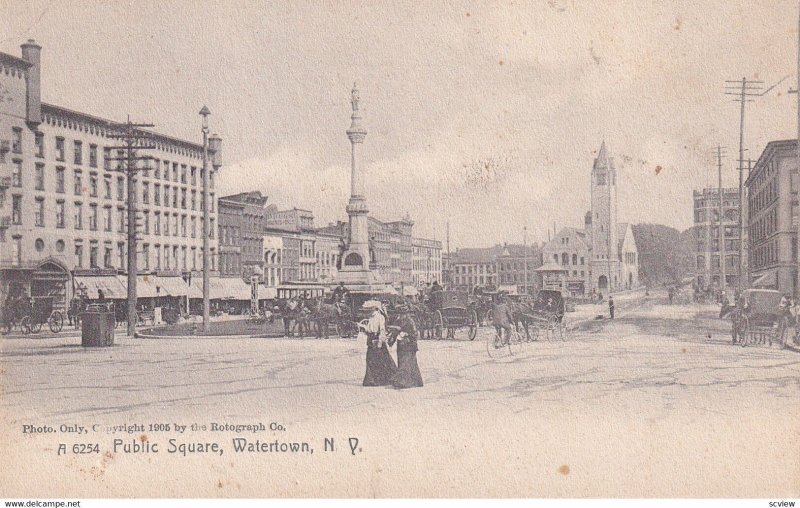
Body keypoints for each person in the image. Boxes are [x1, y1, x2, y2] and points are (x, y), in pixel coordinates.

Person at [362, 300, 397, 386]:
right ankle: (372, 380)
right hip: (371, 339)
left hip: (377, 339)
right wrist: (364, 328)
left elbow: (382, 330)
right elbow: (370, 329)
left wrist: (380, 341)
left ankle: (384, 379)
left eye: (370, 310)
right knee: (370, 359)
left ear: (375, 309)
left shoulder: (380, 317)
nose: (369, 312)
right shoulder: (371, 318)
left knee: (382, 359)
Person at [388, 304, 423, 389]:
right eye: (400, 314)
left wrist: (407, 334)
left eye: (403, 314)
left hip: (409, 345)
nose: (401, 315)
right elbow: (394, 332)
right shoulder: (398, 321)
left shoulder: (410, 321)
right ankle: (411, 381)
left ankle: (403, 382)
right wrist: (391, 341)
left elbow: (415, 334)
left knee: (406, 364)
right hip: (400, 345)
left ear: (407, 313)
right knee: (402, 362)